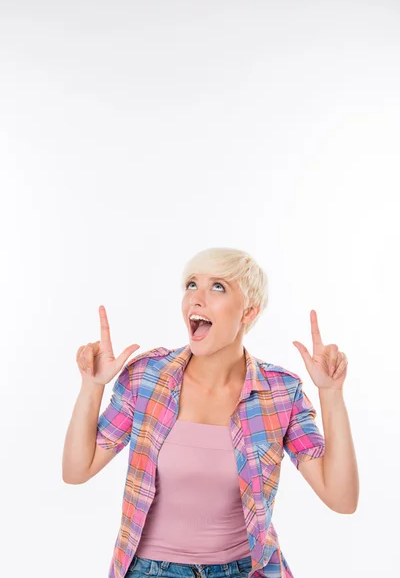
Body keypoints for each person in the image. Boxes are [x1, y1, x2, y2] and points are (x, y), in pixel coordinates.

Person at [62, 247, 359, 578]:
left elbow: (341, 498)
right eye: (191, 284)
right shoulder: (147, 377)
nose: (196, 299)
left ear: (249, 311)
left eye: (217, 286)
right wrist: (92, 385)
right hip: (151, 571)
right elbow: (77, 470)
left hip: (244, 570)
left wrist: (331, 393)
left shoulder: (279, 393)